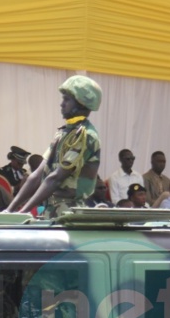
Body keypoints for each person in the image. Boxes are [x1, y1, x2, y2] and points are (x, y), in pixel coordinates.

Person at [6, 75, 102, 218]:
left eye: (67, 99)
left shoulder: (85, 136)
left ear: (81, 103)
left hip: (69, 211)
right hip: (52, 208)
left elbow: (56, 178)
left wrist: (22, 213)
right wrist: (9, 210)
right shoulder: (64, 133)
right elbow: (37, 175)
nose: (62, 104)